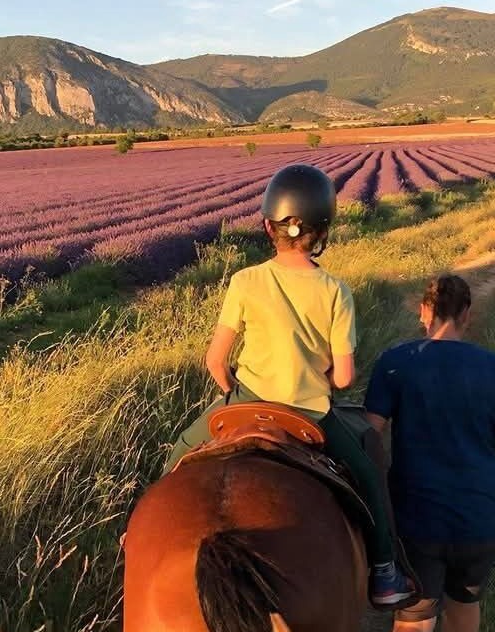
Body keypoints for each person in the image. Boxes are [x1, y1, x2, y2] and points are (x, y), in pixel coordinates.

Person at [162, 163, 415, 608]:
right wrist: (325, 379)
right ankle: (384, 573)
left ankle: (137, 535)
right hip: (309, 413)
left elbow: (215, 360)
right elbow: (345, 377)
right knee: (368, 478)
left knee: (177, 452)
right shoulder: (335, 291)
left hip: (243, 403)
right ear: (323, 231)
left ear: (266, 226)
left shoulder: (245, 281)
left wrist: (230, 396)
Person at [362, 274, 495, 632]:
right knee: (464, 606)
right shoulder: (493, 368)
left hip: (415, 519)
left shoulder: (396, 362)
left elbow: (369, 435)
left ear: (423, 313)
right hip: (480, 520)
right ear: (467, 314)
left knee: (414, 621)